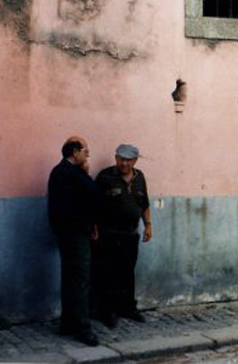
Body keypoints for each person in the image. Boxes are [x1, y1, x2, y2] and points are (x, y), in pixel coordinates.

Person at [47, 136, 100, 346]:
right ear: (74, 152)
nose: (88, 154)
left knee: (70, 278)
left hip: (66, 233)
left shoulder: (59, 171)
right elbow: (93, 195)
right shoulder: (73, 174)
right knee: (80, 280)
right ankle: (82, 328)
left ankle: (67, 323)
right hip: (76, 234)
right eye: (85, 150)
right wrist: (87, 172)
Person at [94, 143, 152, 326]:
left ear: (135, 161)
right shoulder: (105, 176)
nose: (124, 163)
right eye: (121, 159)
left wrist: (148, 225)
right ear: (116, 158)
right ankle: (107, 311)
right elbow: (93, 205)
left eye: (128, 160)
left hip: (130, 234)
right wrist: (94, 228)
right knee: (107, 273)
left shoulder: (140, 177)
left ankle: (128, 308)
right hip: (109, 235)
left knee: (127, 272)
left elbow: (144, 204)